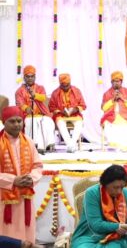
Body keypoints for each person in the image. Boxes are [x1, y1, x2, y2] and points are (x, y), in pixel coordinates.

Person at [0, 106, 43, 244]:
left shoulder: (28, 141)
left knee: (26, 232)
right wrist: (13, 180)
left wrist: (31, 178)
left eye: (19, 121)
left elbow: (38, 166)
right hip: (3, 197)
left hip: (25, 196)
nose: (17, 124)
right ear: (3, 121)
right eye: (12, 121)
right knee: (7, 233)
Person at [71, 164, 127, 247]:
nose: (119, 191)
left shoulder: (126, 194)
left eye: (122, 187)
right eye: (115, 187)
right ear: (105, 184)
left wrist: (126, 229)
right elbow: (96, 225)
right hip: (88, 235)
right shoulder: (92, 193)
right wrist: (118, 226)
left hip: (115, 236)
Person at [15, 65, 56, 153]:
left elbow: (43, 98)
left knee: (48, 121)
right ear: (24, 77)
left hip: (42, 114)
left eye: (32, 76)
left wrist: (35, 95)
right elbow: (19, 103)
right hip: (28, 115)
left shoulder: (40, 88)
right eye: (28, 76)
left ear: (35, 77)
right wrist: (26, 108)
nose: (30, 78)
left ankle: (49, 144)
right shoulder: (19, 91)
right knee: (32, 123)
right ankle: (34, 146)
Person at [49, 73, 86, 153]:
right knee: (60, 123)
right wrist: (60, 111)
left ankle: (71, 145)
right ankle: (71, 145)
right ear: (60, 84)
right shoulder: (55, 93)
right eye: (63, 85)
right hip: (61, 115)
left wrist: (75, 109)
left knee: (79, 122)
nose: (65, 87)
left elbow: (83, 105)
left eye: (67, 85)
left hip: (75, 114)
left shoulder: (76, 91)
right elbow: (51, 107)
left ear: (70, 82)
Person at [100, 71, 127, 151]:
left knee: (125, 127)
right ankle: (115, 146)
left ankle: (124, 147)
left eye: (118, 81)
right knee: (110, 126)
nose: (116, 83)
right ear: (111, 82)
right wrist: (112, 100)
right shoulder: (107, 93)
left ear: (121, 82)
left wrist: (123, 99)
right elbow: (104, 108)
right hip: (110, 117)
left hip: (125, 117)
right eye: (114, 81)